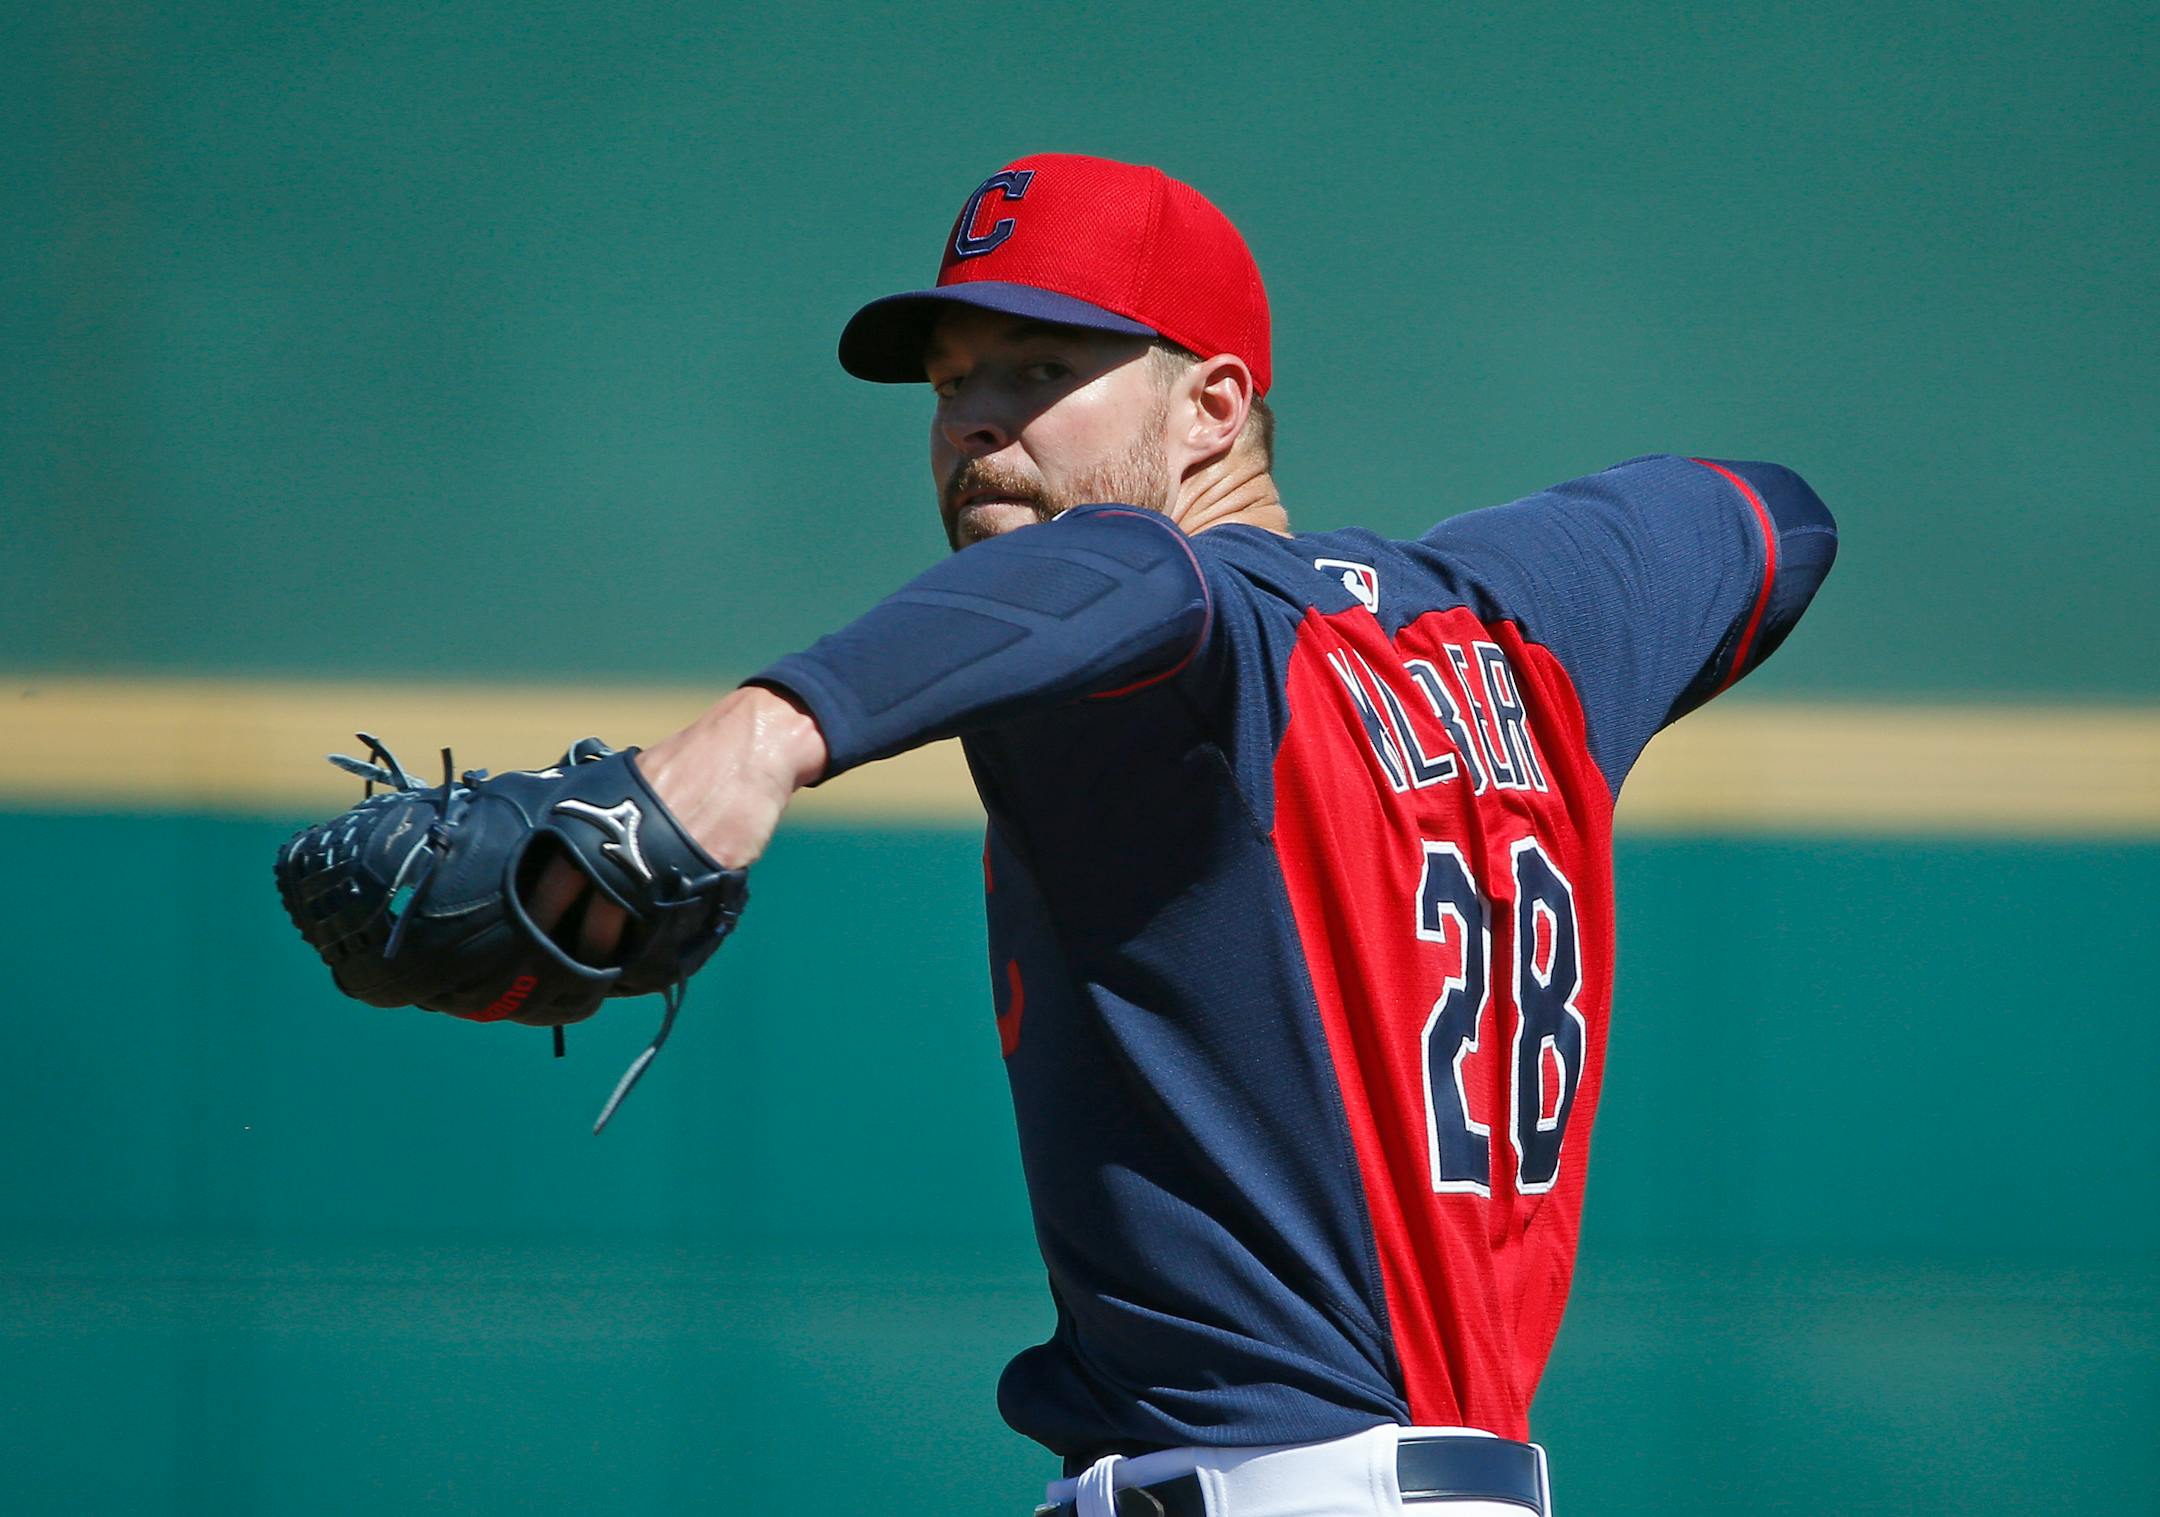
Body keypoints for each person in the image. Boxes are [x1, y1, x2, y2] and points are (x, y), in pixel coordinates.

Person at [533, 152, 1838, 1516]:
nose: (978, 421)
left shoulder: (1173, 634)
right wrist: (1447, 595)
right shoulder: (1513, 636)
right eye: (952, 383)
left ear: (1215, 405)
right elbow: (1775, 521)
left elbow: (1123, 571)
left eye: (1038, 372)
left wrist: (765, 731)